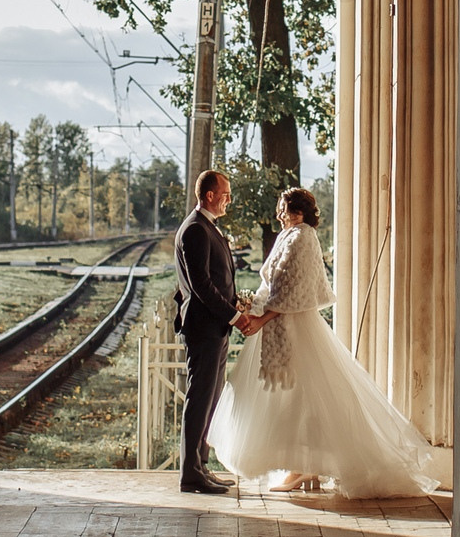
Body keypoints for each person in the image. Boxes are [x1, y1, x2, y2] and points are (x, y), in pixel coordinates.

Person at [209, 186, 439, 498]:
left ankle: (306, 466)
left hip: (294, 328)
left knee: (306, 396)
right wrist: (252, 309)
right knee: (288, 400)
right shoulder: (288, 235)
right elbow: (274, 283)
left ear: (299, 212)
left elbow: (294, 288)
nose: (280, 215)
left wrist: (262, 319)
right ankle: (300, 465)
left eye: (284, 209)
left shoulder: (303, 237)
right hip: (276, 325)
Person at [171, 168, 243, 494]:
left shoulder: (207, 228)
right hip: (204, 329)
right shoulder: (195, 230)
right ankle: (191, 474)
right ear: (210, 195)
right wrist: (232, 316)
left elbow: (217, 277)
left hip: (216, 328)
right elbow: (200, 284)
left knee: (210, 400)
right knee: (199, 400)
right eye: (226, 193)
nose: (229, 198)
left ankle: (201, 465)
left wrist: (236, 302)